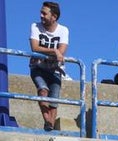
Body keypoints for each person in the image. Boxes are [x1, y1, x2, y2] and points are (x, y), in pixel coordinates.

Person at [29, 2, 69, 132]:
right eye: (41, 12)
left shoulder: (63, 30)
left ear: (54, 17)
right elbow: (35, 47)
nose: (41, 15)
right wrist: (54, 51)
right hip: (38, 67)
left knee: (53, 102)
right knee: (43, 90)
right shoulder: (35, 26)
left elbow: (62, 51)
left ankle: (50, 127)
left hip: (55, 70)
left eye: (44, 13)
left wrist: (57, 52)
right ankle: (47, 121)